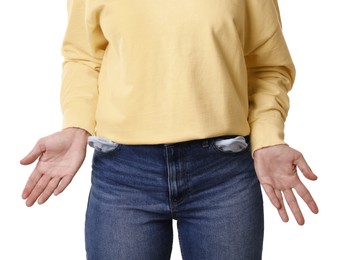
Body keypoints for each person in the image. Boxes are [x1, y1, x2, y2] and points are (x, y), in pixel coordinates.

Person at [20, 0, 319, 259]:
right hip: (124, 175)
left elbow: (268, 66)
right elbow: (84, 58)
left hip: (223, 175)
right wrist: (76, 124)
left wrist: (267, 138)